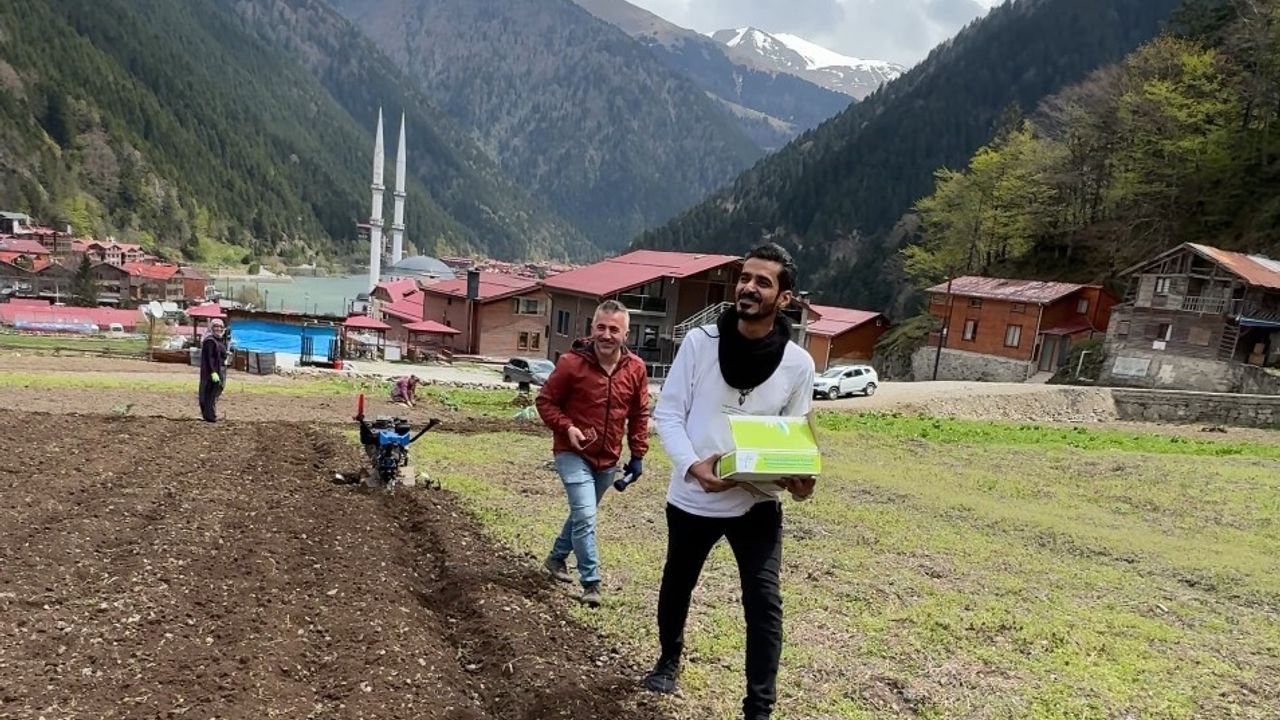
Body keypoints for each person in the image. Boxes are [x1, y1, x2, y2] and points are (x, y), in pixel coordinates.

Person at [644, 243, 817, 720]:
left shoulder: (798, 364)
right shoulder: (700, 343)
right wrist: (693, 466)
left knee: (764, 602)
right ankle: (668, 659)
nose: (749, 287)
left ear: (784, 298)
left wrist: (800, 481)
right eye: (745, 278)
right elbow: (668, 414)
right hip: (692, 497)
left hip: (754, 503)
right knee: (678, 583)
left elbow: (792, 437)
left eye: (763, 281)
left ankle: (759, 707)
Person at [535, 300, 650, 607]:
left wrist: (637, 455)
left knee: (581, 514)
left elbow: (639, 414)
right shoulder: (571, 364)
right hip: (572, 452)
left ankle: (556, 558)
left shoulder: (636, 368)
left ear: (626, 334)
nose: (606, 335)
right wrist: (567, 427)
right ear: (592, 328)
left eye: (614, 329)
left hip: (608, 458)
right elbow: (545, 402)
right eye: (601, 327)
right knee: (586, 516)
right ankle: (591, 582)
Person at [198, 318, 229, 422]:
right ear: (211, 328)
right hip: (212, 371)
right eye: (216, 326)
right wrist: (213, 372)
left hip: (221, 369)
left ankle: (211, 413)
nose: (218, 329)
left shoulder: (219, 340)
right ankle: (209, 416)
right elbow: (209, 358)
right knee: (210, 393)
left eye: (220, 327)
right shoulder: (210, 341)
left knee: (215, 392)